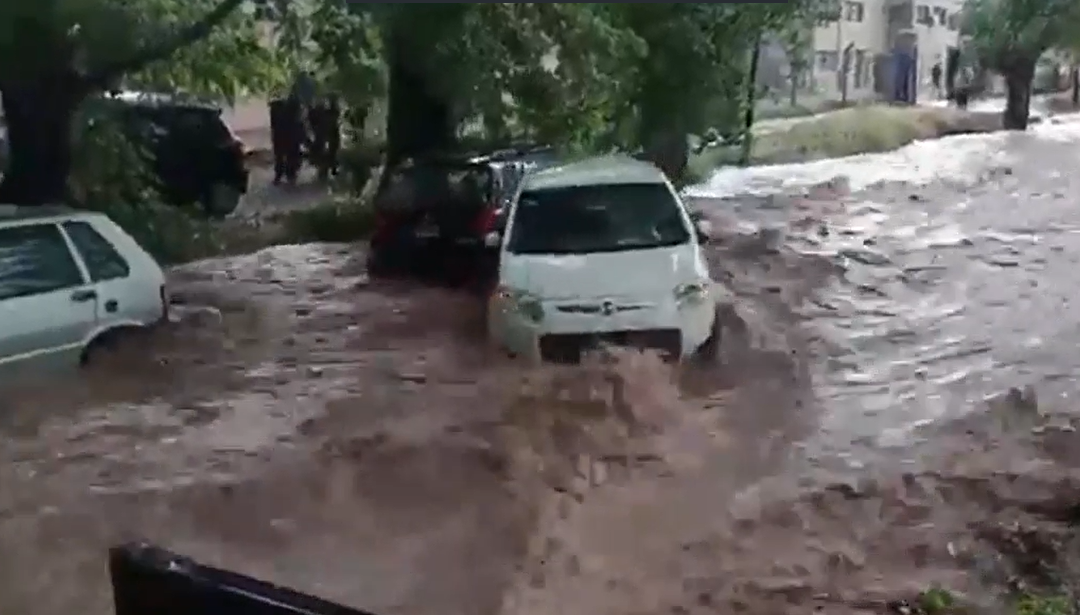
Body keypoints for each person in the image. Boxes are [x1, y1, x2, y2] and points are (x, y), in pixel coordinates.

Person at [268, 93, 304, 185]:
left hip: (280, 135)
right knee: (290, 155)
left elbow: (273, 124)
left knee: (280, 156)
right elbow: (298, 123)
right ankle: (289, 175)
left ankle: (280, 175)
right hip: (289, 135)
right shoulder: (292, 109)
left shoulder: (277, 108)